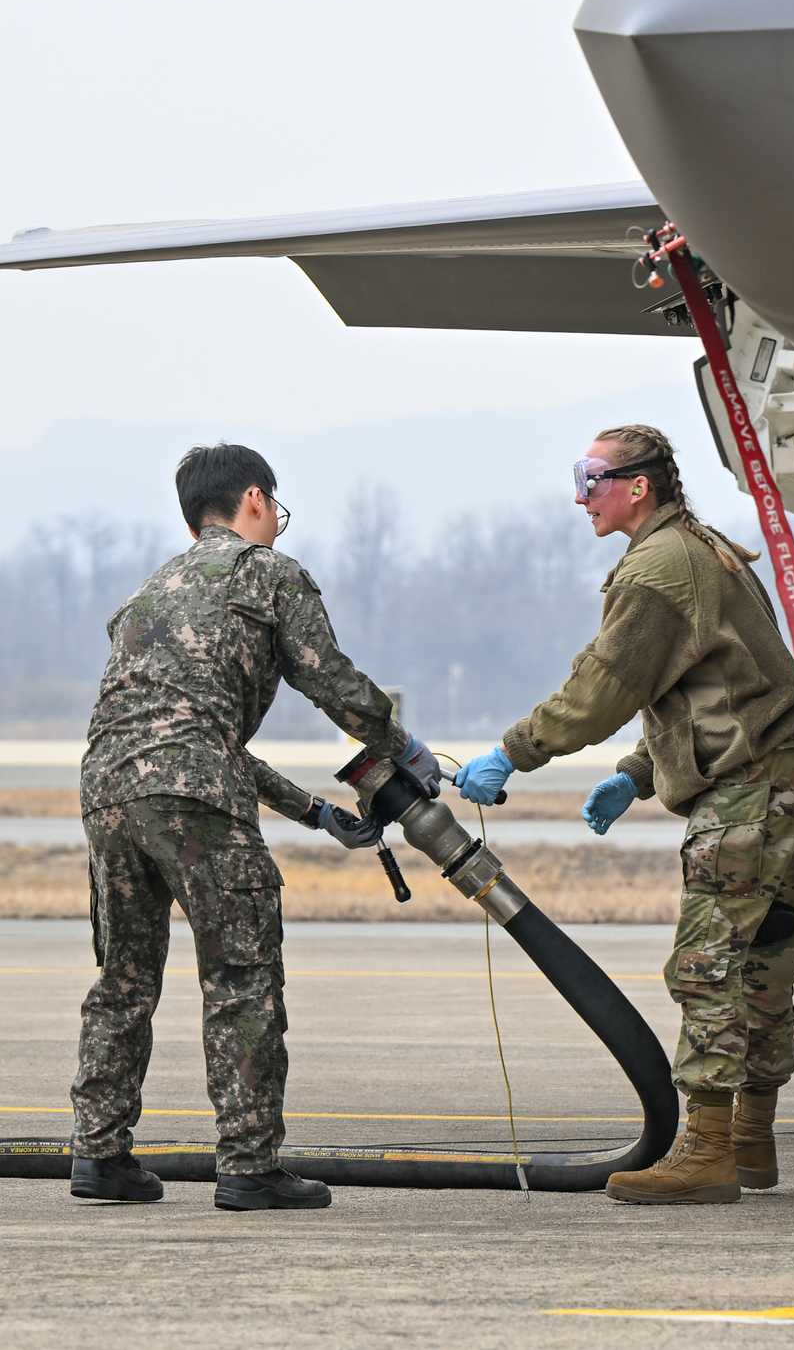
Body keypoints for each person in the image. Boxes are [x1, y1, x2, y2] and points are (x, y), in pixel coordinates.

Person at [455, 423, 794, 1205]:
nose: (579, 495)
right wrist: (638, 770)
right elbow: (708, 683)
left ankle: (708, 1150)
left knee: (709, 963)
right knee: (762, 963)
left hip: (748, 791)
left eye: (592, 477)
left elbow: (603, 687)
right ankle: (752, 1139)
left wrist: (513, 752)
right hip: (785, 775)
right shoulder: (696, 547)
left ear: (639, 485)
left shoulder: (658, 568)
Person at [69, 443, 443, 1212]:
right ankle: (248, 1164)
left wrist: (316, 813)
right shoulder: (268, 573)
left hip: (107, 792)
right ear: (253, 499)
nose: (276, 521)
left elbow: (198, 740)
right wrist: (398, 743)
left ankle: (100, 1155)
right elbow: (327, 677)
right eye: (275, 508)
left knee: (123, 980)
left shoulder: (147, 595)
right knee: (241, 978)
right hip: (195, 793)